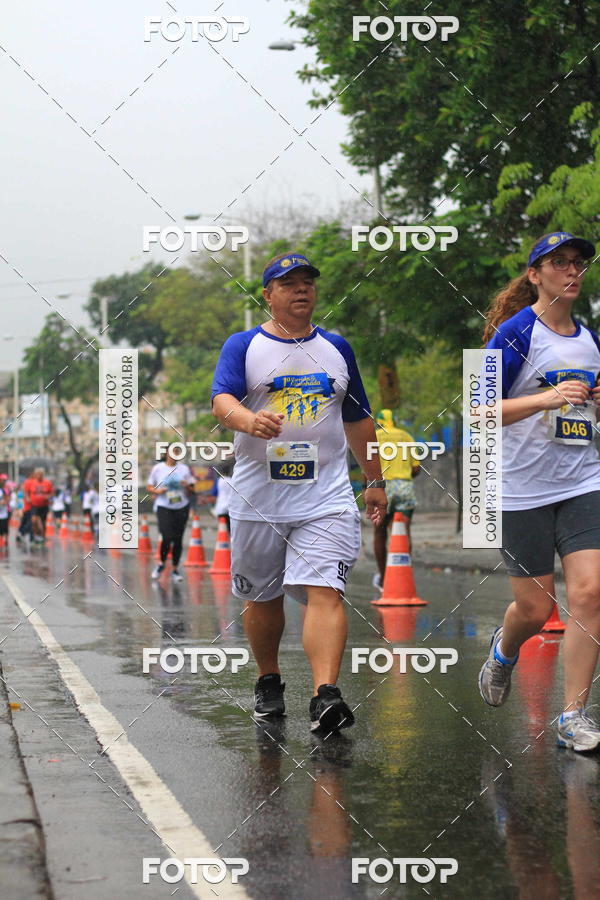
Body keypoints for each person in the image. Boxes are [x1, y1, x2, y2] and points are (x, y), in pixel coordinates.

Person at [212, 251, 387, 733]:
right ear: (268, 295)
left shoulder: (336, 349)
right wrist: (248, 419)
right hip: (257, 497)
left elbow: (357, 419)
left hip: (325, 494)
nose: (301, 289)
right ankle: (269, 680)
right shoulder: (244, 346)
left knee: (325, 591)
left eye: (307, 281)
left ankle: (325, 694)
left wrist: (373, 480)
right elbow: (221, 400)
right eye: (288, 283)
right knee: (261, 599)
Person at [477, 231, 600, 752]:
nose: (571, 272)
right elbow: (477, 411)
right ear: (535, 275)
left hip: (583, 480)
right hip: (519, 489)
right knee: (535, 609)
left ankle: (572, 715)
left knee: (592, 592)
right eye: (559, 263)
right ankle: (504, 652)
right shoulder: (512, 334)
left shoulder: (591, 338)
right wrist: (546, 397)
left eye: (578, 264)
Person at [371, 409, 421, 592]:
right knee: (403, 532)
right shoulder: (406, 436)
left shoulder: (374, 437)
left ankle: (384, 580)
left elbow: (366, 468)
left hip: (381, 487)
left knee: (379, 533)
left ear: (380, 422)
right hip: (404, 487)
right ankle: (403, 575)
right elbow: (416, 468)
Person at [147, 444, 195, 582]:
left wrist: (187, 486)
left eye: (177, 451)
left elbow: (192, 490)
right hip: (164, 506)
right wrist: (157, 491)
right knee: (167, 536)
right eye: (172, 451)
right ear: (166, 453)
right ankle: (161, 563)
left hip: (181, 506)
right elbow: (150, 486)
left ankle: (174, 569)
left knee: (178, 539)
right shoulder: (158, 468)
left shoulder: (184, 469)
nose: (175, 453)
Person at [23, 468, 53, 543]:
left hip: (44, 505)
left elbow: (51, 493)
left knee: (43, 522)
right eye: (37, 474)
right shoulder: (31, 483)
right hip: (34, 505)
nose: (39, 476)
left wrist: (48, 497)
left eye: (40, 474)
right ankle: (36, 536)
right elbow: (26, 492)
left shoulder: (47, 483)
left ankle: (43, 536)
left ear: (43, 475)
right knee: (34, 520)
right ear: (35, 475)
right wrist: (27, 498)